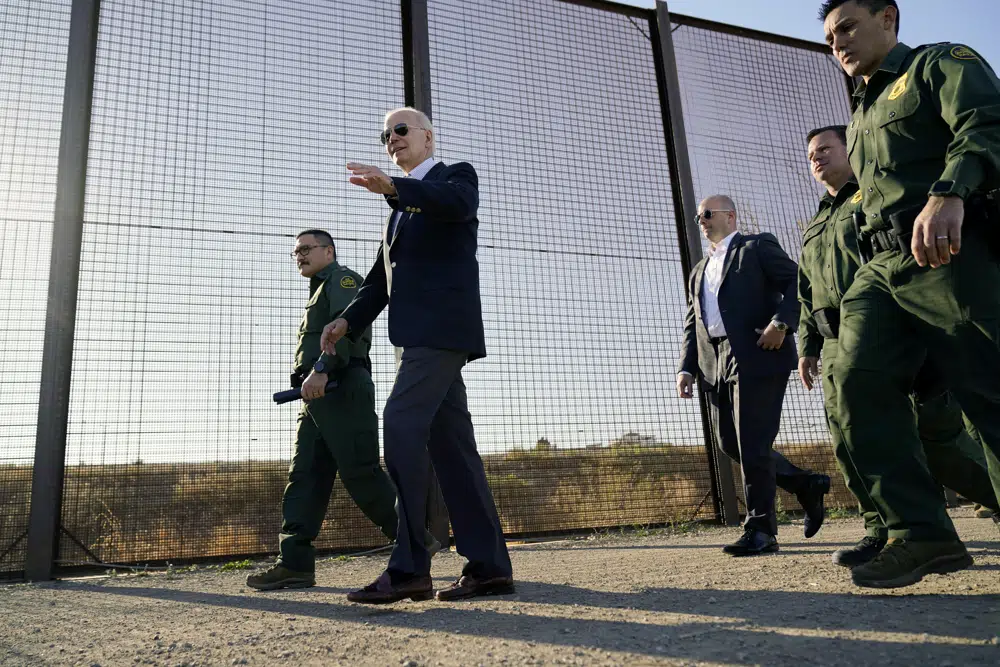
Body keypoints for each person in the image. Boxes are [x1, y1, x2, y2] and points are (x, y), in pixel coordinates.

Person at [821, 0, 1000, 588]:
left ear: (888, 19)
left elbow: (986, 120)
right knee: (854, 377)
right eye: (829, 37)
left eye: (847, 27)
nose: (838, 43)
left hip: (949, 250)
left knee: (986, 389)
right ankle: (919, 532)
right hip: (883, 266)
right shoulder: (861, 111)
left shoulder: (935, 65)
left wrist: (950, 191)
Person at [321, 107, 514, 604]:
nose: (392, 140)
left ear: (427, 137)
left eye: (400, 130)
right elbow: (380, 281)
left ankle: (410, 566)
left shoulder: (453, 178)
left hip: (442, 334)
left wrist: (393, 189)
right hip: (421, 339)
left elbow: (453, 203)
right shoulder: (399, 216)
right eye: (385, 135)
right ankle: (490, 566)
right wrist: (347, 321)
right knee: (454, 450)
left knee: (401, 425)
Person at [797, 125, 1000, 568]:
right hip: (836, 339)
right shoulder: (814, 224)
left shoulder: (870, 202)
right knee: (850, 439)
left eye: (825, 149)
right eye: (810, 154)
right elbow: (805, 290)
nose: (816, 158)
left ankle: (991, 495)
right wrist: (807, 344)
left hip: (890, 328)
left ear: (851, 151)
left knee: (938, 439)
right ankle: (883, 528)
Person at [246, 230, 401, 591]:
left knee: (361, 472)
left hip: (340, 384)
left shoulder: (343, 279)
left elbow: (347, 328)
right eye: (295, 251)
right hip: (316, 393)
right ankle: (295, 563)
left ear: (328, 251)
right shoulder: (317, 288)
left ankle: (414, 540)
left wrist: (322, 369)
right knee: (305, 475)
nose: (299, 255)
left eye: (306, 248)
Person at [678, 195, 831, 557]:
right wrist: (687, 366)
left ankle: (761, 530)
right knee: (730, 443)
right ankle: (806, 484)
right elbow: (692, 321)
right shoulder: (699, 270)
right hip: (712, 360)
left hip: (758, 351)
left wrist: (781, 323)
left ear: (729, 216)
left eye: (708, 213)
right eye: (699, 214)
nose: (702, 219)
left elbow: (798, 280)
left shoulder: (757, 246)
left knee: (753, 442)